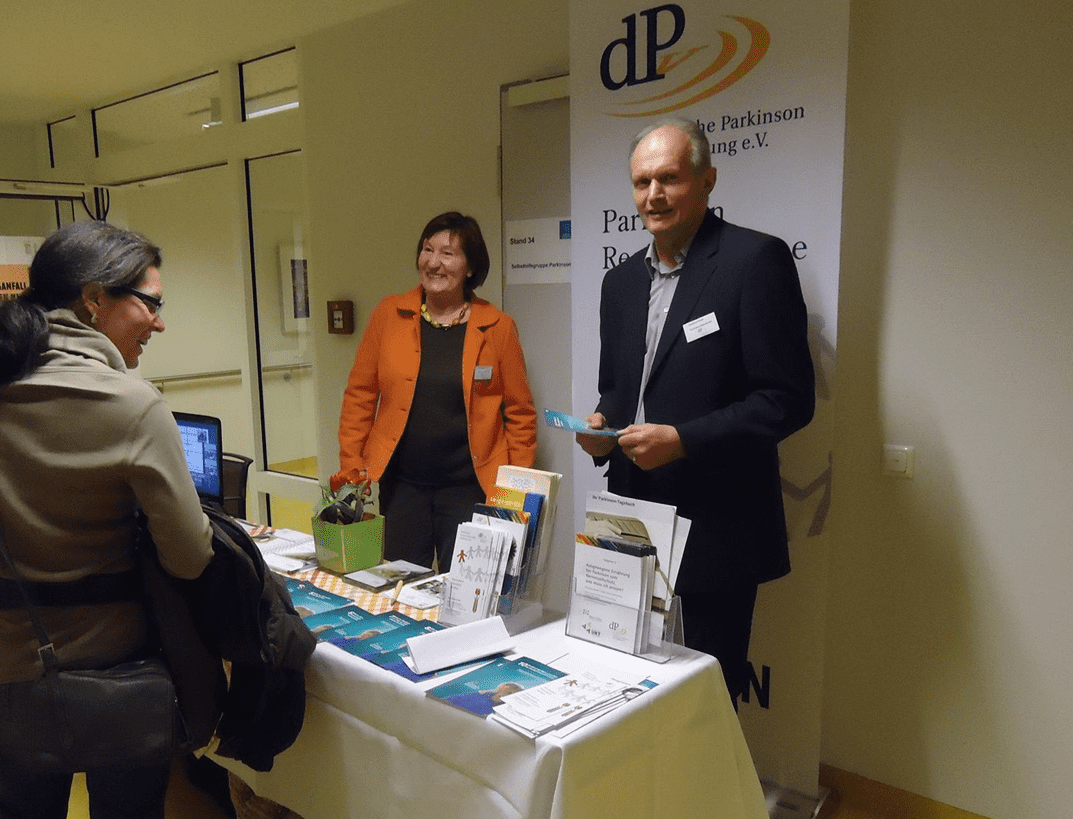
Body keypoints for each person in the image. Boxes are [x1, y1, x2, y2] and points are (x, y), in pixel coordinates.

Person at [0, 220, 214, 819]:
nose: (158, 319)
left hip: (4, 670)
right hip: (117, 672)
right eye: (148, 301)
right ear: (93, 299)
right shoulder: (131, 404)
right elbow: (188, 558)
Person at [577, 118, 815, 706]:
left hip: (718, 517)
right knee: (622, 674)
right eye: (641, 182)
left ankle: (712, 797)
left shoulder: (755, 260)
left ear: (707, 181)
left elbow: (785, 400)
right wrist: (602, 428)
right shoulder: (620, 283)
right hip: (631, 514)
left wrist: (683, 439)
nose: (652, 195)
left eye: (668, 179)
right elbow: (618, 391)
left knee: (711, 685)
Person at [338, 211, 538, 572]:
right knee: (400, 589)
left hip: (471, 489)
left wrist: (515, 492)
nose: (433, 262)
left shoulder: (498, 328)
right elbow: (360, 397)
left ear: (471, 267)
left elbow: (521, 414)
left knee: (464, 592)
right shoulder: (389, 315)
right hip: (403, 489)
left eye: (448, 253)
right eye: (427, 250)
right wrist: (352, 468)